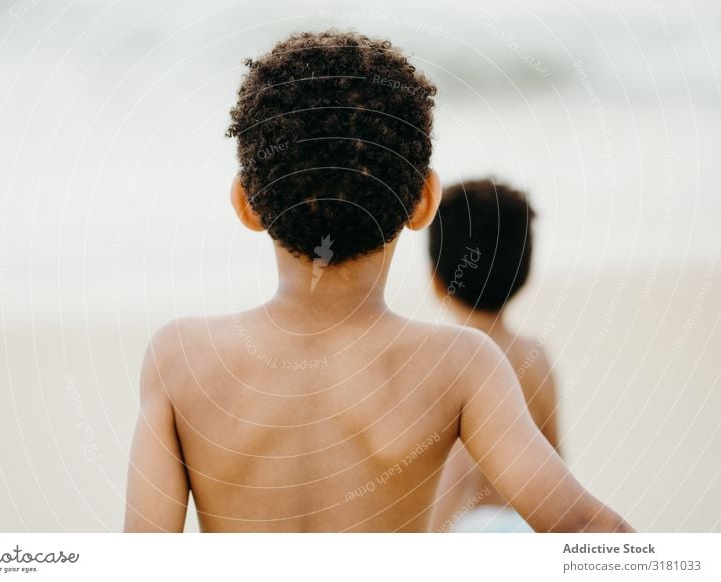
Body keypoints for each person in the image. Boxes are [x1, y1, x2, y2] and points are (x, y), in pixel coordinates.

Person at [123, 30, 632, 533]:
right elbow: (585, 526)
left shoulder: (179, 358)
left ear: (246, 203)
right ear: (423, 202)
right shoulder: (461, 364)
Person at [428, 179, 559, 532]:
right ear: (524, 274)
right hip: (525, 525)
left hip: (473, 529)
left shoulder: (449, 358)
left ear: (436, 279)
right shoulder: (536, 355)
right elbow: (556, 461)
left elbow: (459, 476)